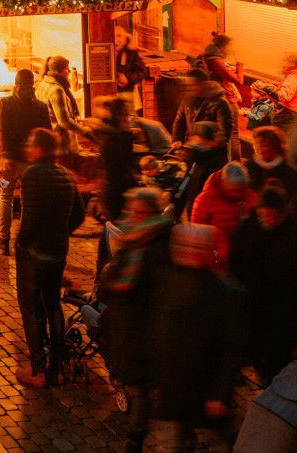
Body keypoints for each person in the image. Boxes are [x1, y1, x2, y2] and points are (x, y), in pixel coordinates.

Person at [151, 222, 246, 452]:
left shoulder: (227, 294)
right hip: (176, 387)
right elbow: (159, 331)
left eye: (194, 247)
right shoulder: (166, 280)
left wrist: (220, 393)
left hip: (205, 386)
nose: (186, 252)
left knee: (223, 438)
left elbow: (231, 349)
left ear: (207, 251)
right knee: (177, 440)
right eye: (182, 246)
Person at [98, 188, 175, 446]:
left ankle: (137, 436)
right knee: (138, 385)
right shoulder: (132, 238)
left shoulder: (161, 246)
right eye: (132, 211)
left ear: (150, 213)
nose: (132, 216)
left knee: (141, 387)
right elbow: (112, 277)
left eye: (138, 212)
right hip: (128, 327)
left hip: (144, 329)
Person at [13, 127, 84, 386]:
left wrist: (20, 242)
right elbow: (79, 214)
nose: (28, 149)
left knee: (31, 307)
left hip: (35, 253)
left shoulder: (32, 174)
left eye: (31, 145)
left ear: (40, 149)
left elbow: (30, 218)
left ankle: (38, 370)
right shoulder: (66, 175)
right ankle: (57, 363)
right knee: (53, 304)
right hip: (57, 250)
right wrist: (61, 231)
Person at [230, 184, 297, 384]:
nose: (268, 220)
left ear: (283, 213)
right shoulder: (247, 230)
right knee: (256, 350)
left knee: (278, 355)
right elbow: (236, 263)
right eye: (264, 215)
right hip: (254, 302)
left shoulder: (295, 235)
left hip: (282, 308)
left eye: (273, 216)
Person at [0, 67, 51, 254]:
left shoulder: (6, 103)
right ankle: (27, 240)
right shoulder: (41, 107)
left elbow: (5, 131)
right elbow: (46, 134)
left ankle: (4, 241)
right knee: (29, 200)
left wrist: (6, 155)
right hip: (33, 160)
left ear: (16, 83)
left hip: (11, 158)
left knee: (6, 197)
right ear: (33, 84)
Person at [188, 162, 255, 271]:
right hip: (217, 261)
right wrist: (218, 260)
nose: (238, 194)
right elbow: (197, 236)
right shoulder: (204, 201)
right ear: (224, 183)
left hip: (243, 256)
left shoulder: (248, 196)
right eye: (234, 191)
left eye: (241, 190)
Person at [243, 125, 297, 200]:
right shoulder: (249, 167)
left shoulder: (289, 173)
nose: (258, 149)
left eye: (263, 145)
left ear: (275, 147)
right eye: (256, 144)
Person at [37, 56, 81, 144]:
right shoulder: (57, 90)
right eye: (67, 69)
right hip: (61, 140)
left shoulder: (43, 84)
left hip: (50, 137)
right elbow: (64, 121)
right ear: (62, 71)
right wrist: (82, 130)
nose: (69, 71)